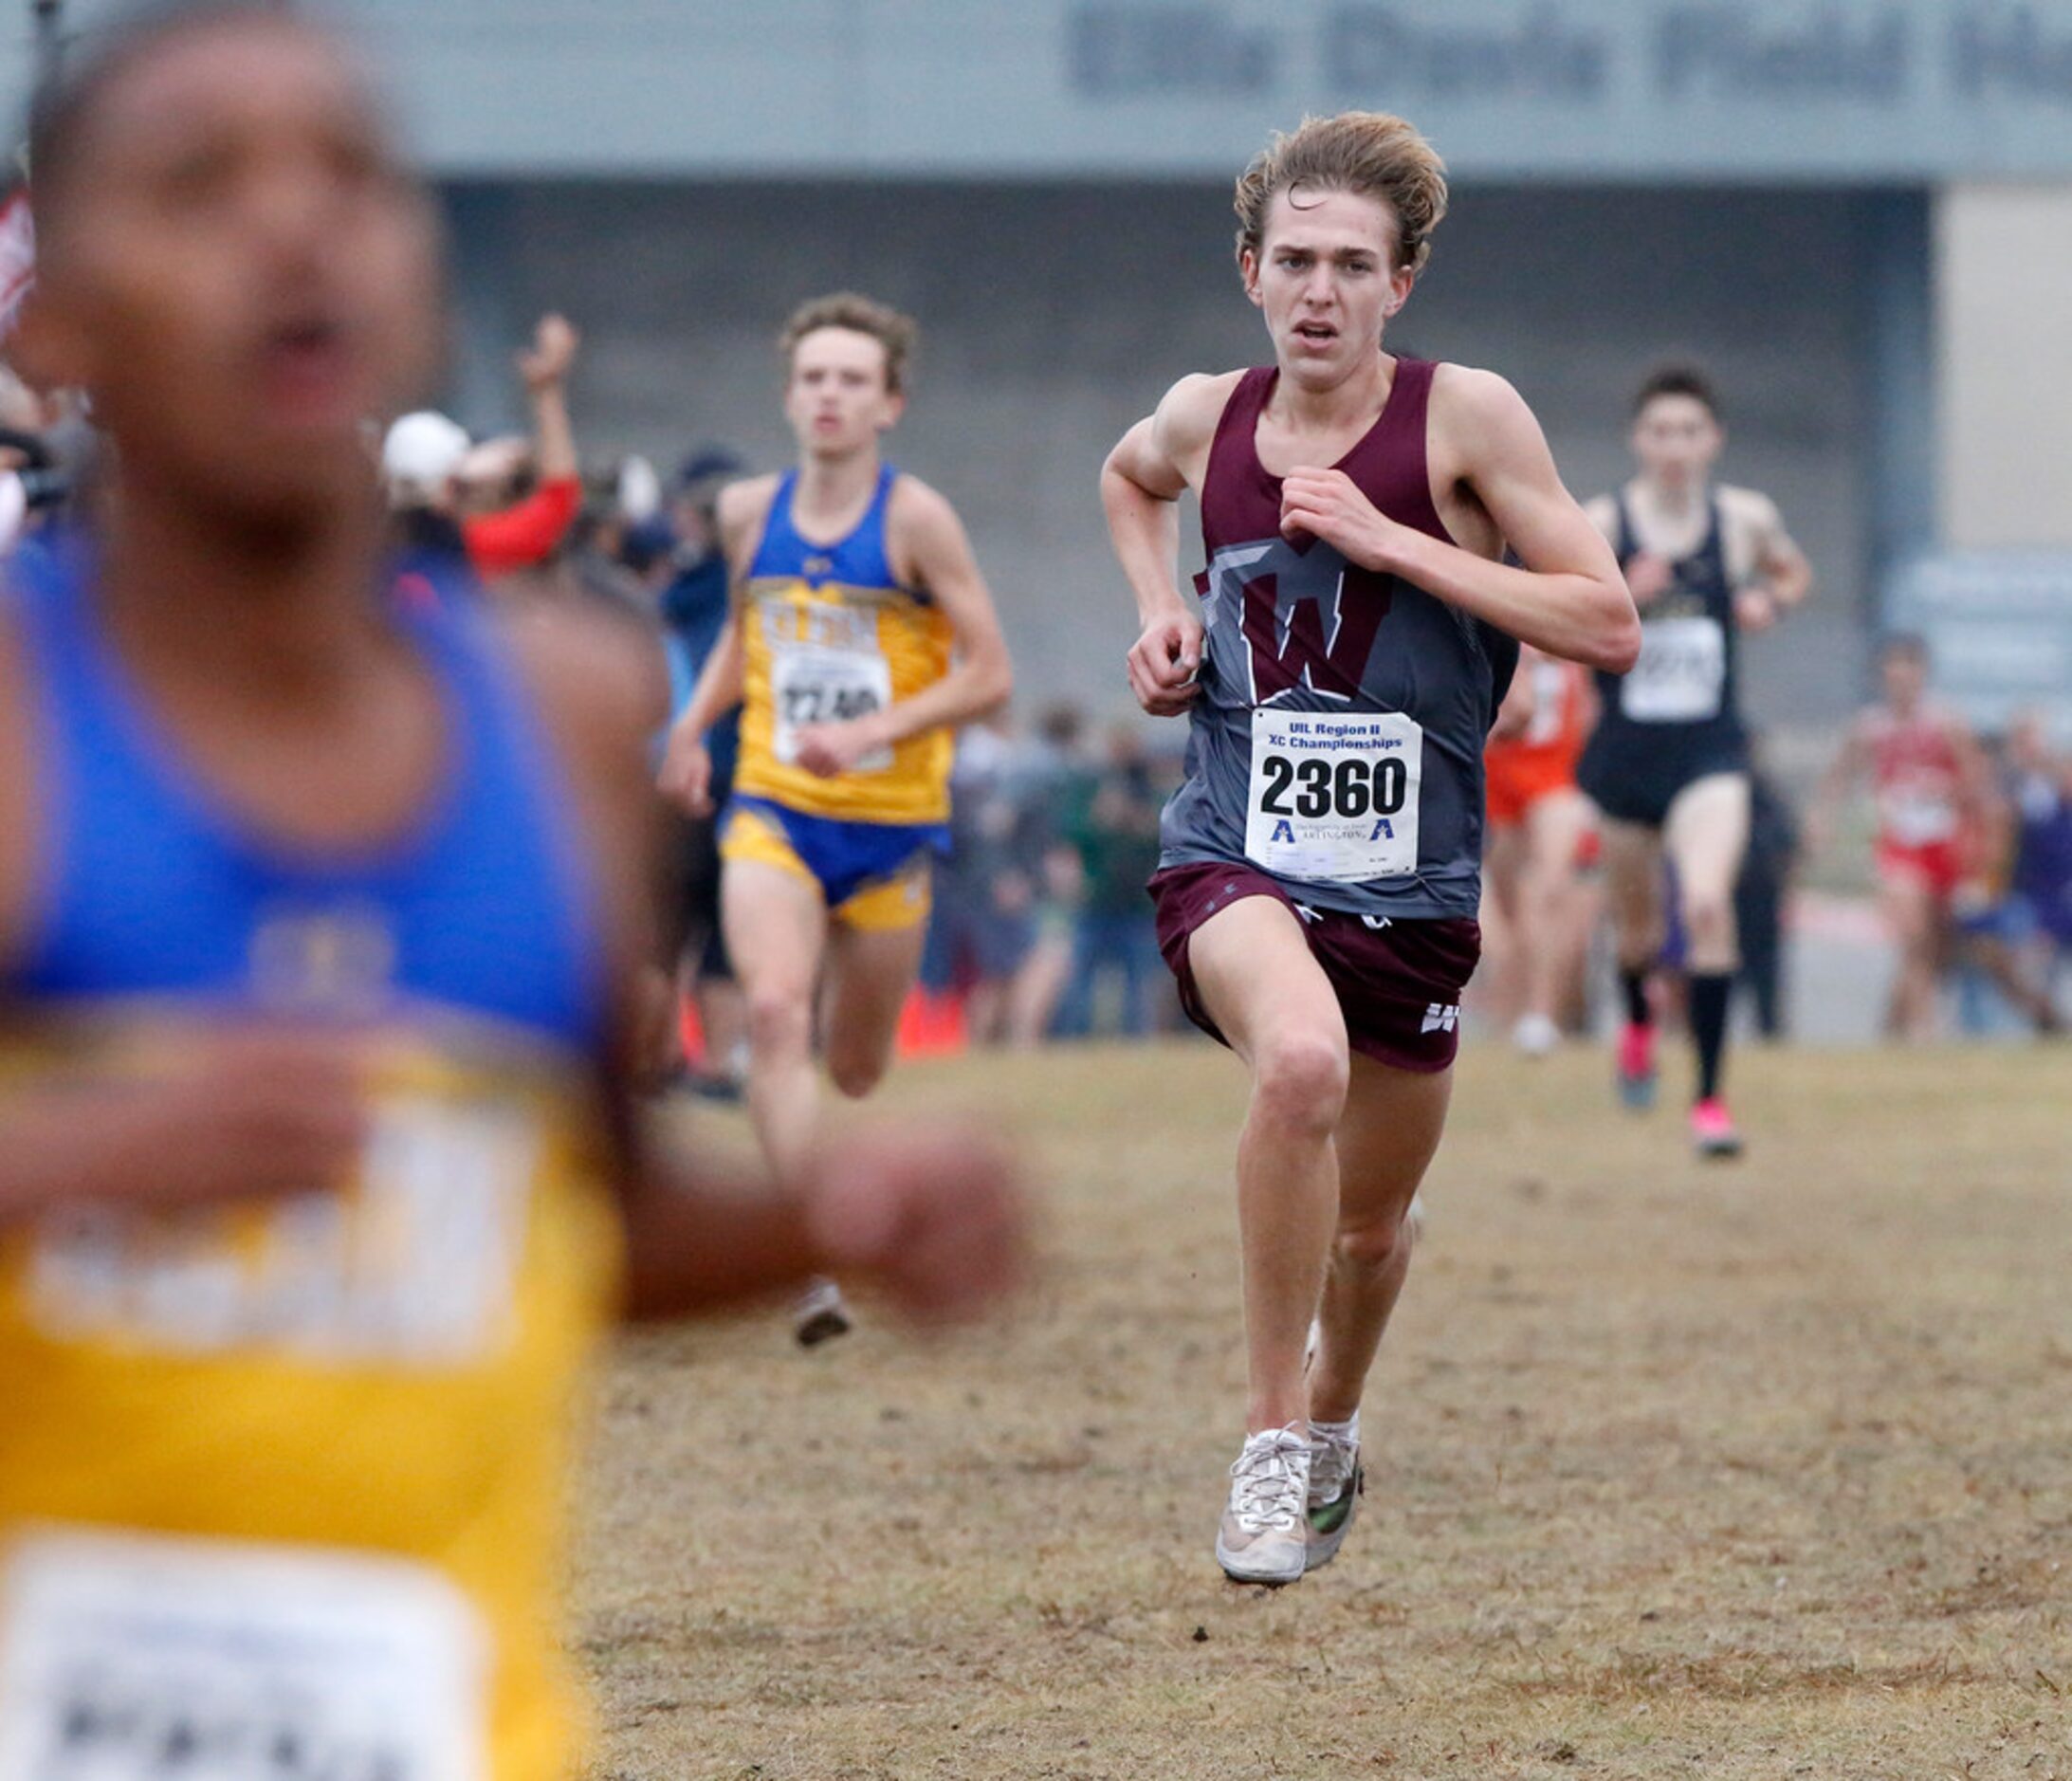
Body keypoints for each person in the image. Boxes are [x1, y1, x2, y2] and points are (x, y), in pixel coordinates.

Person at [0, 10, 1024, 1778]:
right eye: (198, 183)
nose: (293, 226)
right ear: (55, 322)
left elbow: (587, 1216)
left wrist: (832, 1213)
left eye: (350, 173)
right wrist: (82, 1164)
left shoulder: (565, 709)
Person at [1099, 111, 1638, 1585]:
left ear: (1400, 283)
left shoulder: (1467, 420)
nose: (1319, 290)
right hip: (1233, 848)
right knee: (1298, 1067)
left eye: (1351, 264)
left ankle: (1331, 1422)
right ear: (1250, 273)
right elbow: (1125, 477)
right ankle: (1272, 1434)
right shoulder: (1208, 413)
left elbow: (1606, 618)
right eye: (1294, 262)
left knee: (1373, 1229)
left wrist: (1395, 542)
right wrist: (1160, 611)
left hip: (1411, 888)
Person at [657, 292, 1015, 1346]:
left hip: (891, 828)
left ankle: (828, 1165)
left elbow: (990, 676)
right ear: (789, 393)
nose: (829, 395)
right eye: (813, 376)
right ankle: (811, 1253)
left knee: (855, 1065)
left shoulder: (916, 522)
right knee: (771, 1014)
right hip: (773, 805)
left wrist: (872, 732)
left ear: (889, 403)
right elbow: (744, 633)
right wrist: (688, 728)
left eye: (852, 379)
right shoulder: (744, 514)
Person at [1576, 366, 1812, 1155]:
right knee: (1638, 935)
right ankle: (1639, 1019)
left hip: (1710, 753)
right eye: (1659, 432)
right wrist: (1620, 596)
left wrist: (1767, 603)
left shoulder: (1741, 519)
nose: (1674, 447)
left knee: (1706, 906)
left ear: (1711, 440)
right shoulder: (1601, 521)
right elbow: (1555, 609)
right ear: (1636, 440)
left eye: (1688, 432)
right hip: (1624, 759)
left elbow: (1790, 571)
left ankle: (1709, 1102)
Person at [1807, 634, 1989, 1038]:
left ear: (1922, 675)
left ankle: (1891, 1029)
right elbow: (1839, 777)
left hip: (1942, 843)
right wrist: (1821, 821)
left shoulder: (1946, 722)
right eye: (1893, 672)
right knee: (1914, 936)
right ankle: (1925, 1032)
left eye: (1909, 671)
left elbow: (1976, 782)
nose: (1901, 681)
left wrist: (1945, 795)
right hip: (1898, 845)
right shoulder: (1871, 727)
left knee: (1938, 948)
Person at [384, 311, 584, 589]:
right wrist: (546, 390)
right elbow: (558, 500)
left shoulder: (340, 554)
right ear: (453, 484)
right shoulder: (460, 549)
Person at [1478, 643, 1596, 1054]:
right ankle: (1513, 1015)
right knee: (1511, 912)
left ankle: (1542, 1016)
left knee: (1547, 889)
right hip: (1498, 775)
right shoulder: (1492, 614)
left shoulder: (1564, 627)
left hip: (1555, 777)